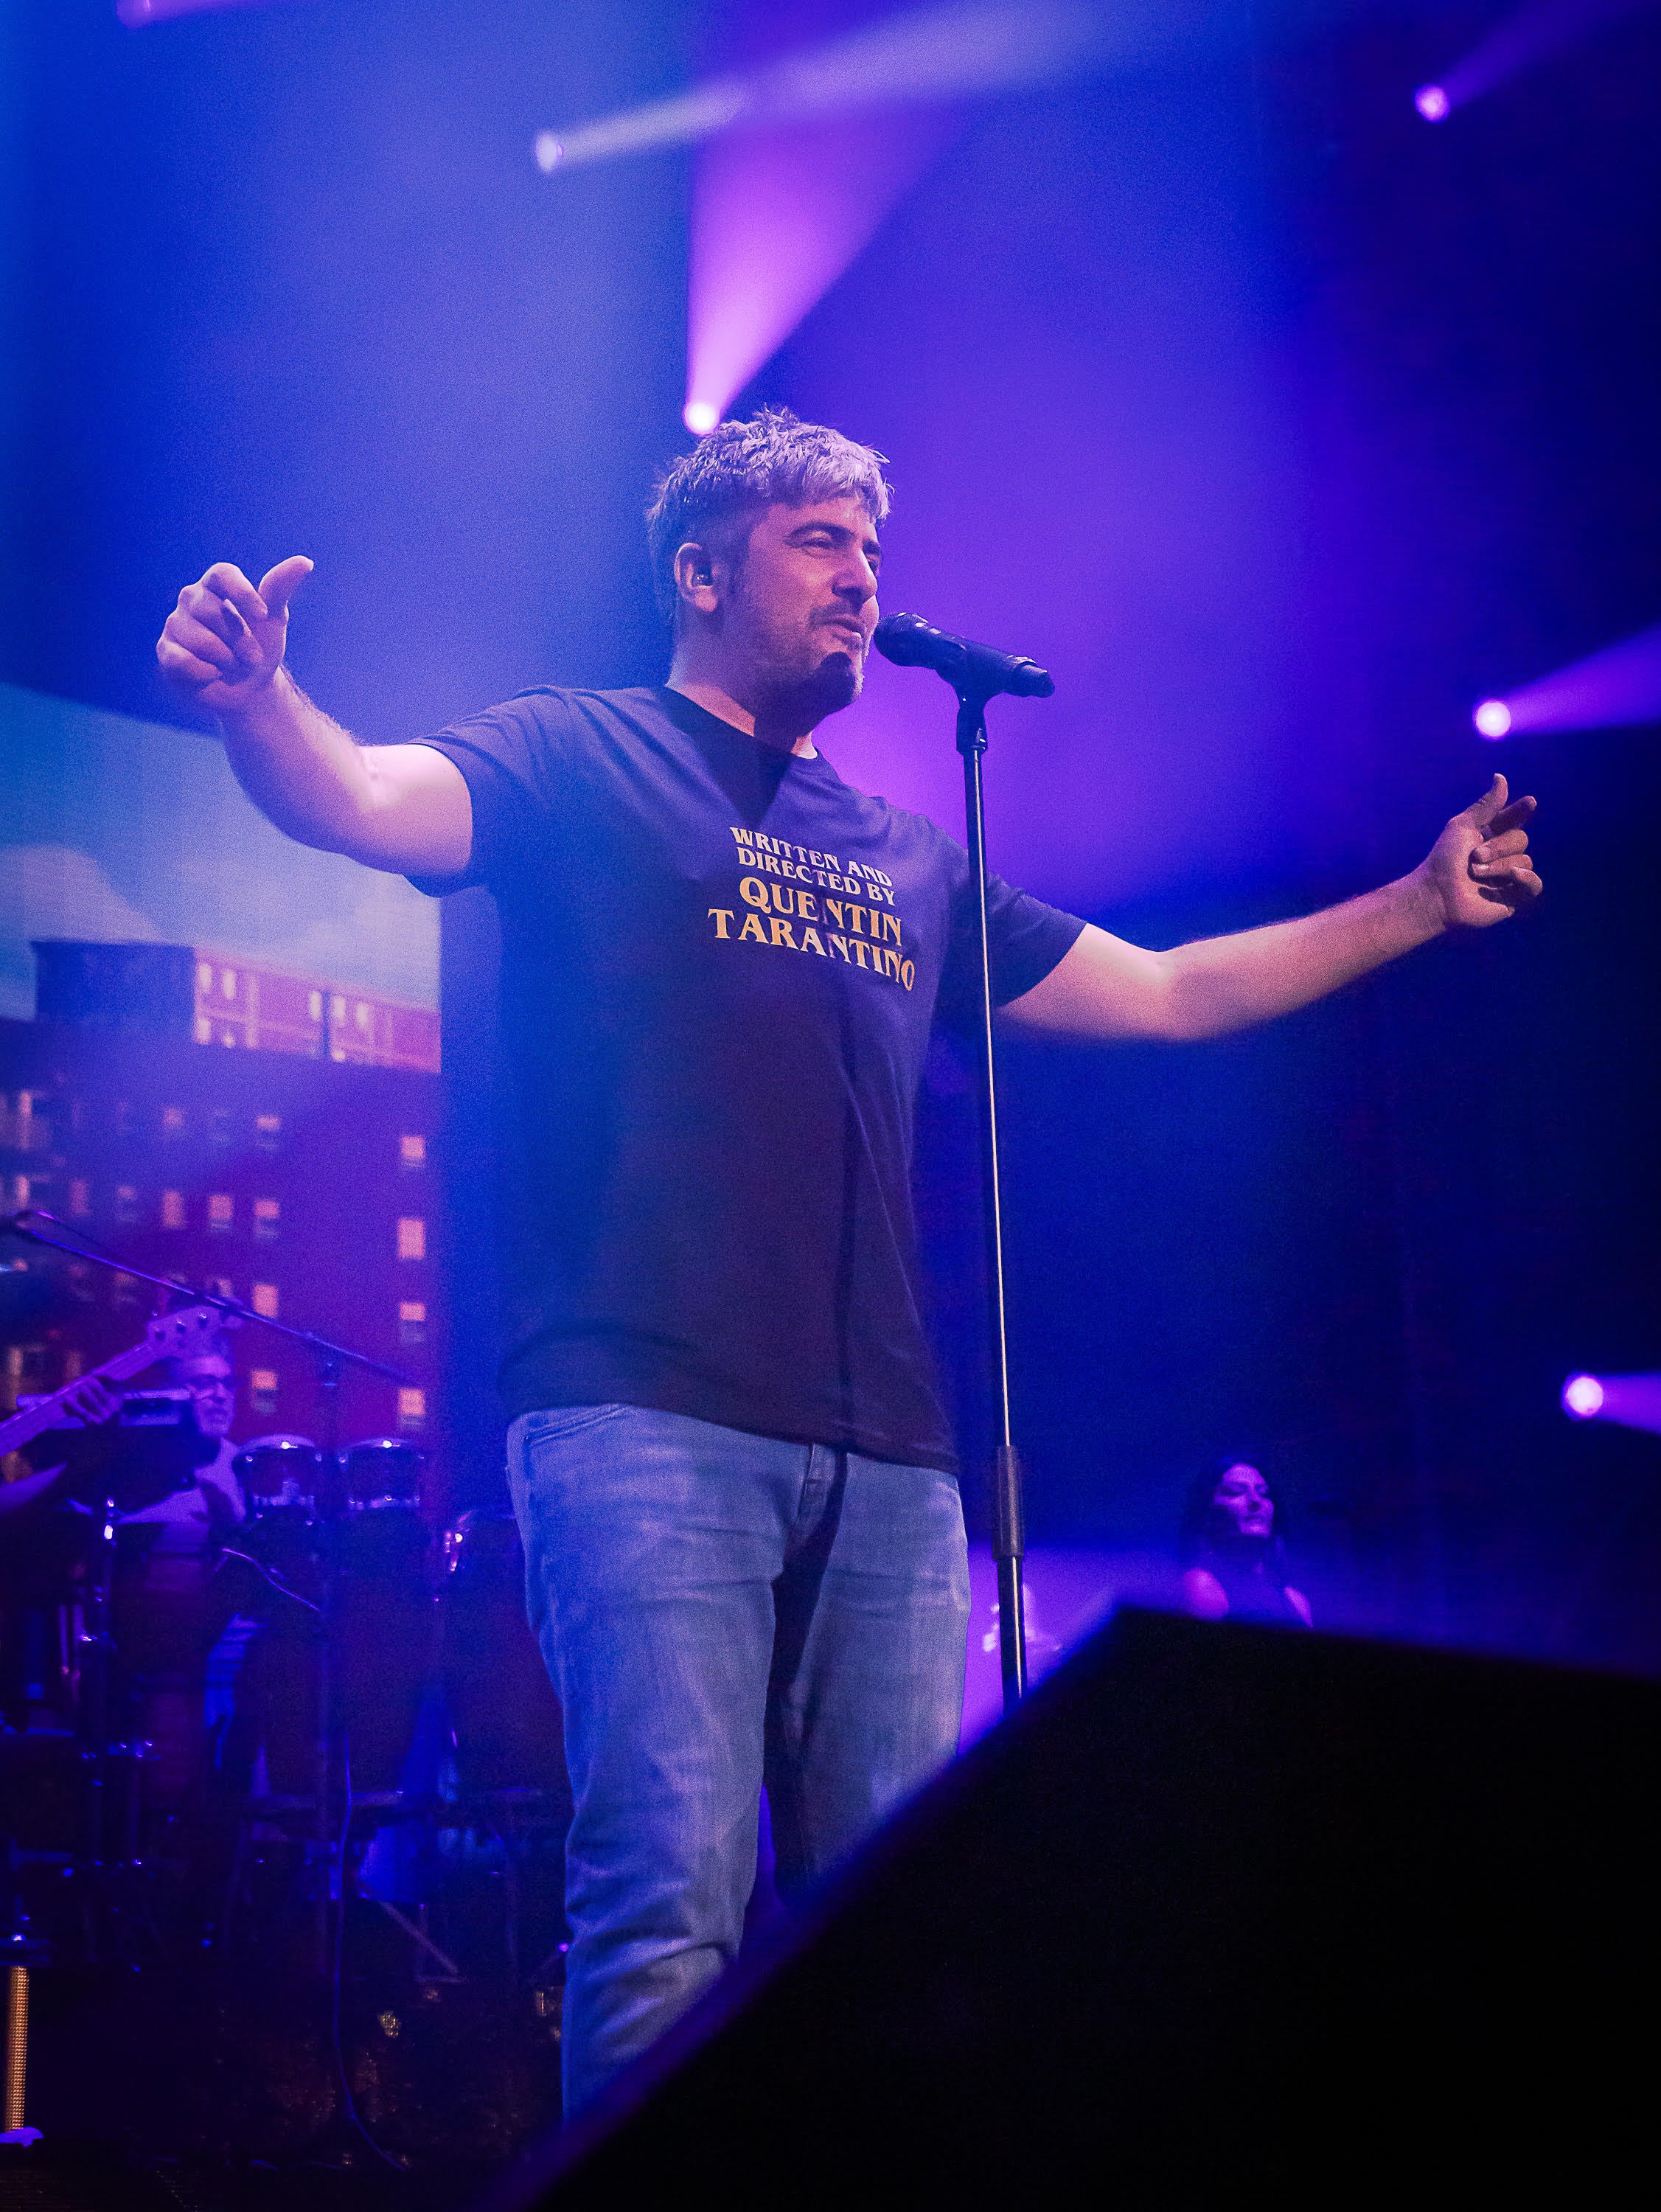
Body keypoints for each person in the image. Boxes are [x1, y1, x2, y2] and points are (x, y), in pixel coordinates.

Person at [154, 408, 1541, 2110]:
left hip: (888, 1455)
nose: (861, 578)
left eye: (870, 551)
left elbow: (1170, 991)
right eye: (817, 542)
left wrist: (1408, 902)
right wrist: (255, 705)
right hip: (644, 1415)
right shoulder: (581, 753)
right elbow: (363, 797)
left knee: (894, 1924)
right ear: (698, 570)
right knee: (665, 1905)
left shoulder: (903, 850)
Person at [1180, 1461, 1313, 1628]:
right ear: (1207, 1514)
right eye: (1236, 1492)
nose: (1255, 1501)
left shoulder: (1296, 1601)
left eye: (1264, 1493)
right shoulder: (1202, 1585)